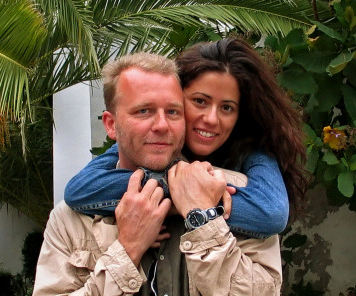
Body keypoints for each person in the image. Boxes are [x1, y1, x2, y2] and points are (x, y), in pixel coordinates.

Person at [32, 51, 284, 296]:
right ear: (111, 124)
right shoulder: (71, 218)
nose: (162, 125)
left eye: (173, 112)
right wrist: (126, 251)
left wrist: (204, 219)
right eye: (144, 111)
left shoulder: (234, 192)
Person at [65, 38, 308, 240]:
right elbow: (81, 190)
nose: (212, 119)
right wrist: (181, 189)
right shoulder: (148, 146)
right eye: (200, 101)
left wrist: (182, 202)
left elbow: (271, 213)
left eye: (227, 108)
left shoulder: (252, 150)